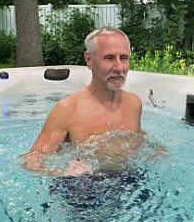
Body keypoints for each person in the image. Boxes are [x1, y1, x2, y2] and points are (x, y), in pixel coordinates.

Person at [21, 27, 145, 176]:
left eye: (124, 58)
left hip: (128, 178)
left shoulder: (134, 104)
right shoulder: (67, 109)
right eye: (109, 58)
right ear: (89, 60)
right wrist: (61, 172)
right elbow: (31, 160)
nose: (119, 67)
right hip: (83, 187)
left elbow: (139, 140)